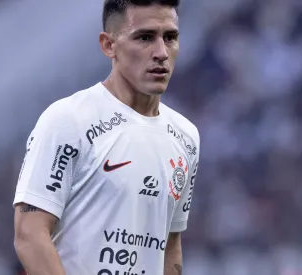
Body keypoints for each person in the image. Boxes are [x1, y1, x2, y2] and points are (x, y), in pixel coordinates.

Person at [12, 0, 200, 274]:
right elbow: (29, 234)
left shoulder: (186, 137)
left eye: (170, 37)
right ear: (108, 45)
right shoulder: (68, 120)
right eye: (145, 37)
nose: (161, 52)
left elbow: (170, 243)